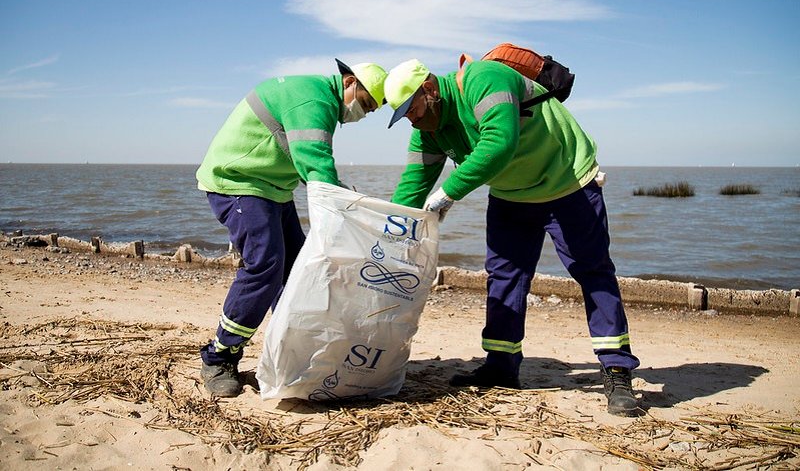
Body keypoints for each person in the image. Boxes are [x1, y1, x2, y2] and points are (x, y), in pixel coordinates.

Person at [383, 58, 640, 416]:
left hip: (567, 182)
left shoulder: (483, 79)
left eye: (411, 109)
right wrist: (390, 230)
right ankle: (501, 366)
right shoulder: (428, 127)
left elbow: (499, 142)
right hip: (511, 195)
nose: (411, 119)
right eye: (404, 115)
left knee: (592, 271)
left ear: (429, 89)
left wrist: (448, 193)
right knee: (504, 276)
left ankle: (616, 369)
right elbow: (412, 184)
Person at [195, 59, 388, 397]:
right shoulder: (314, 100)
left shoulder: (319, 98)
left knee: (296, 272)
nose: (363, 112)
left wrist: (341, 195)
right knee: (265, 268)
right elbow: (315, 161)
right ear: (349, 82)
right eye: (365, 102)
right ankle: (219, 356)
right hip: (238, 181)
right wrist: (341, 211)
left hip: (270, 187)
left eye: (371, 110)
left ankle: (285, 352)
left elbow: (307, 162)